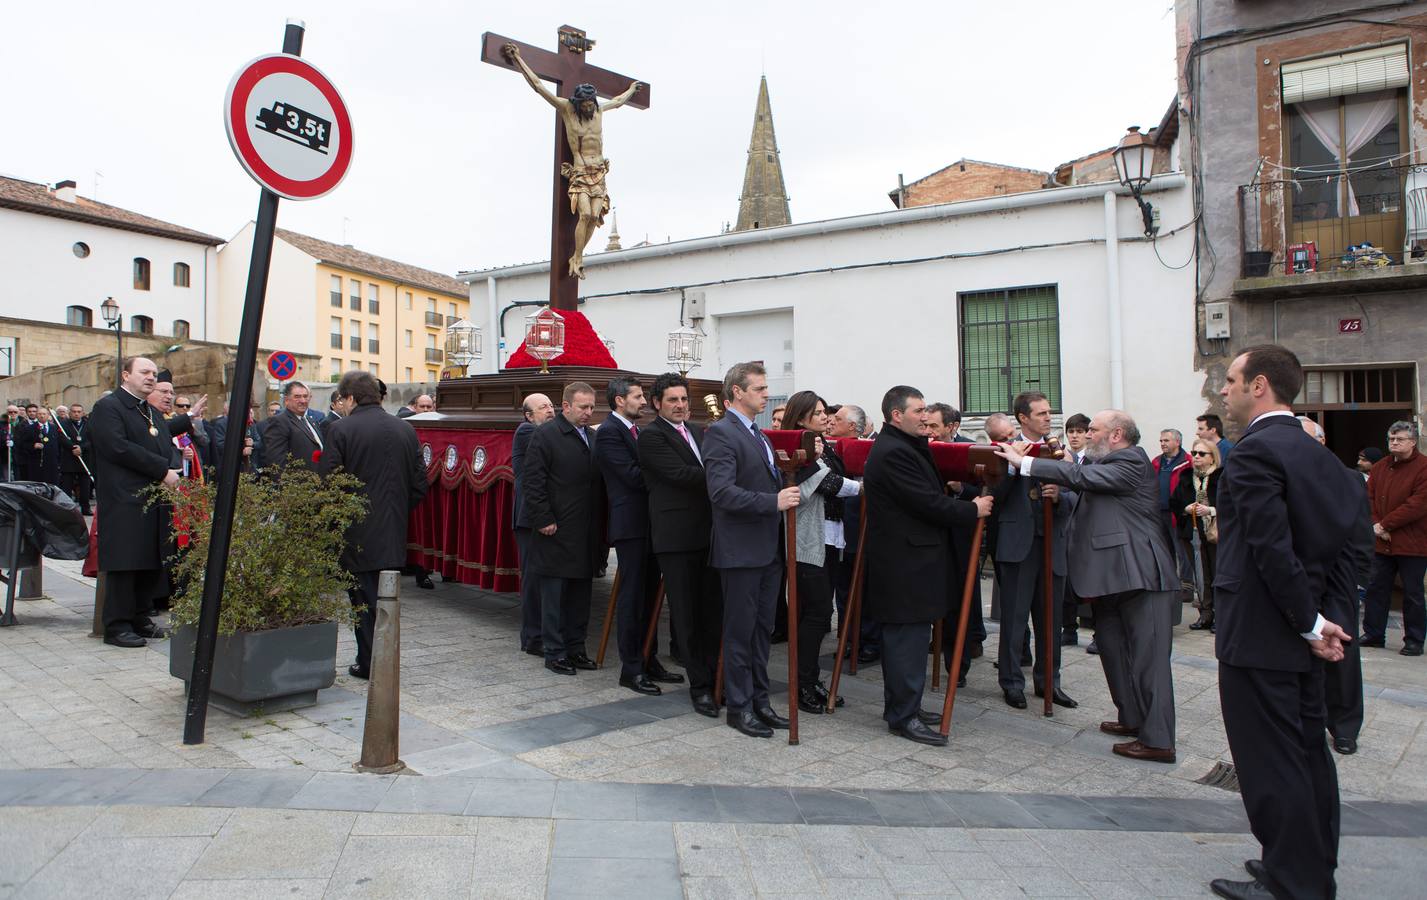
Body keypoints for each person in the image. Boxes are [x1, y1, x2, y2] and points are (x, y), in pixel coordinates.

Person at [1210, 344, 1358, 900]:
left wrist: (1308, 624)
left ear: (1259, 386)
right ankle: (1309, 865)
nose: (1223, 390)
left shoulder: (1253, 453)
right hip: (1303, 628)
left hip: (1264, 632)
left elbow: (1272, 550)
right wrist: (1326, 621)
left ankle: (1293, 882)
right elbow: (1344, 552)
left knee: (1271, 762)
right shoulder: (1321, 455)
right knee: (1306, 753)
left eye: (1230, 379)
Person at [997, 409, 1179, 761]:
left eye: (1093, 429)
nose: (1085, 434)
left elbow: (1079, 476)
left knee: (1148, 661)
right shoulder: (1104, 464)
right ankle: (1131, 717)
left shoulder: (1131, 460)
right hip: (1111, 579)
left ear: (1115, 435)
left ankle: (1158, 741)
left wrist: (1026, 463)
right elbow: (1079, 479)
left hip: (1141, 576)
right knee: (1113, 650)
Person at [865, 385, 991, 746]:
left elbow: (929, 495)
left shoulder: (906, 446)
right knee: (906, 640)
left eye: (925, 410)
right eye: (918, 411)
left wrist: (952, 491)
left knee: (914, 639)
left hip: (914, 560)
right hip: (905, 564)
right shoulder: (893, 452)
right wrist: (972, 509)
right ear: (896, 416)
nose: (925, 417)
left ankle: (907, 707)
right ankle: (903, 716)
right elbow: (924, 503)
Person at [704, 362, 800, 739]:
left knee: (763, 631)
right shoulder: (721, 433)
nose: (765, 394)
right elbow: (721, 492)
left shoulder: (757, 433)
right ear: (737, 392)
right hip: (740, 550)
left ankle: (761, 701)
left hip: (766, 549)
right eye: (759, 389)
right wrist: (772, 501)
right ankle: (739, 706)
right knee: (740, 632)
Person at [319, 371, 427, 679]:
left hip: (357, 532)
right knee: (388, 601)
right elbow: (420, 482)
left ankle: (369, 662)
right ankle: (384, 658)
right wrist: (397, 512)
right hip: (394, 530)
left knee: (362, 602)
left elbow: (329, 482)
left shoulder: (341, 430)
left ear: (350, 398)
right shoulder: (405, 429)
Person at [503, 42, 642, 279]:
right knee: (585, 214)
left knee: (595, 216)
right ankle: (576, 256)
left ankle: (578, 256)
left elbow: (618, 101)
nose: (589, 107)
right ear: (578, 103)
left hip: (599, 172)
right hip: (580, 170)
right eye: (585, 104)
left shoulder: (598, 112)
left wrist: (631, 90)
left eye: (591, 103)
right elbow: (538, 86)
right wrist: (518, 59)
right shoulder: (567, 109)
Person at [638, 373, 722, 717]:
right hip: (677, 538)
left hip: (710, 536)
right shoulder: (650, 437)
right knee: (686, 616)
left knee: (712, 613)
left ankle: (719, 680)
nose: (680, 406)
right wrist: (725, 475)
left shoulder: (700, 432)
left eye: (684, 400)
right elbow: (682, 475)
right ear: (657, 403)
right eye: (673, 400)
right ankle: (700, 688)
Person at [595, 377, 683, 695]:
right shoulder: (608, 433)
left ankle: (649, 658)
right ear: (619, 400)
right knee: (632, 598)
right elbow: (631, 476)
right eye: (637, 396)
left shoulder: (639, 432)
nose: (643, 401)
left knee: (650, 597)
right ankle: (631, 669)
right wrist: (667, 471)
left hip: (651, 524)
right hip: (631, 527)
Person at [89, 357, 183, 648]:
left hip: (153, 498)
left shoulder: (148, 411)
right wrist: (161, 470)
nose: (151, 378)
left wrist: (170, 467)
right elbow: (118, 448)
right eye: (144, 372)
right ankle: (117, 625)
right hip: (125, 498)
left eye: (154, 374)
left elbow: (163, 441)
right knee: (125, 562)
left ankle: (140, 616)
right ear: (126, 375)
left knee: (149, 559)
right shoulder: (109, 408)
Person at [991, 391, 1076, 710]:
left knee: (1050, 619)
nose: (1047, 418)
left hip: (1052, 542)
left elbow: (1075, 494)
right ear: (1022, 418)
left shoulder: (1059, 452)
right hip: (1018, 543)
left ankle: (1049, 682)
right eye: (1040, 413)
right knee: (1014, 618)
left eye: (1049, 412)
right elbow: (994, 495)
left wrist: (1059, 496)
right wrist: (1014, 466)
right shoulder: (1004, 450)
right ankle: (1012, 682)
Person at [782, 391, 860, 713]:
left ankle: (809, 679)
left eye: (825, 412)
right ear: (801, 417)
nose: (825, 417)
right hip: (807, 538)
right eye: (817, 413)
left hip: (830, 534)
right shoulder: (797, 445)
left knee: (819, 613)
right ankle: (802, 683)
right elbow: (827, 483)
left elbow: (838, 474)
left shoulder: (822, 443)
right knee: (813, 614)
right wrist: (863, 488)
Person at [523, 382, 604, 676]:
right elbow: (533, 481)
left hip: (585, 531)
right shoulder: (546, 435)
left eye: (591, 408)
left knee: (580, 595)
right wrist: (543, 518)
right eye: (583, 407)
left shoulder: (592, 437)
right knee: (555, 596)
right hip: (555, 530)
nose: (588, 413)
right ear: (566, 406)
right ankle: (555, 652)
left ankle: (576, 648)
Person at [1363, 421, 1427, 657]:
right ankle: (1373, 633)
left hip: (1412, 543)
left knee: (1413, 593)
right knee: (1376, 588)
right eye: (1391, 439)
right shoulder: (1380, 467)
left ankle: (1414, 639)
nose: (1394, 443)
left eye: (1399, 439)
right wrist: (1375, 525)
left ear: (1412, 442)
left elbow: (1417, 505)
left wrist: (1384, 524)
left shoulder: (1423, 467)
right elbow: (1368, 498)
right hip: (1382, 541)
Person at [512, 392, 554, 656]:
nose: (551, 410)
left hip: (543, 516)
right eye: (543, 407)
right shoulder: (527, 431)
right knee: (533, 580)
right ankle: (532, 637)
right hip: (531, 518)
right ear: (529, 415)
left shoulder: (546, 431)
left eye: (552, 405)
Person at [1172, 438, 1223, 631]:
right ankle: (1205, 613)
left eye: (1202, 454)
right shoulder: (1186, 477)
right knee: (1201, 576)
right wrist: (1186, 508)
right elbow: (1174, 502)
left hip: (1217, 532)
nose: (1197, 457)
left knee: (1218, 574)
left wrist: (1210, 510)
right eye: (1194, 453)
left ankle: (1221, 615)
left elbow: (1231, 504)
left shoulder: (1221, 477)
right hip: (1192, 533)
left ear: (1212, 457)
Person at [1153, 428, 1195, 599]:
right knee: (1165, 550)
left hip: (1178, 513)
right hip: (1159, 512)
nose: (1163, 444)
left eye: (1166, 440)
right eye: (1161, 441)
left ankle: (1187, 586)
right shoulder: (1156, 462)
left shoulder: (1188, 462)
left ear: (1177, 442)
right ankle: (1170, 584)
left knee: (1182, 551)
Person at [262, 382, 324, 473]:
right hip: (297, 484)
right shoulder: (279, 422)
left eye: (305, 396)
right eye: (297, 397)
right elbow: (276, 462)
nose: (303, 401)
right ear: (287, 400)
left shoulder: (311, 421)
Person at [56, 403, 93, 514]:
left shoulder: (89, 424)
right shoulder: (63, 424)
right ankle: (67, 509)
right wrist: (73, 447)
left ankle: (85, 507)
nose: (76, 414)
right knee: (67, 485)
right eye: (74, 411)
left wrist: (81, 448)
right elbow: (61, 438)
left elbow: (92, 439)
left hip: (84, 458)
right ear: (70, 412)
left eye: (79, 412)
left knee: (85, 486)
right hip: (69, 458)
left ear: (82, 413)